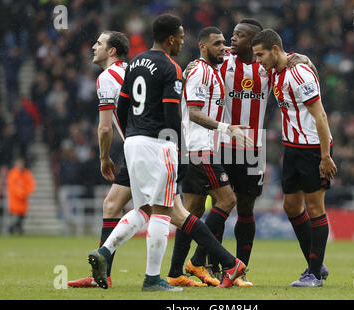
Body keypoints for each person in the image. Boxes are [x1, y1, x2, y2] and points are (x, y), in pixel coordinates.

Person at [88, 14, 246, 291]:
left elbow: (122, 107)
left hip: (133, 143)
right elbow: (173, 117)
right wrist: (180, 152)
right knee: (162, 211)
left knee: (146, 209)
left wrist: (132, 132)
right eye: (182, 38)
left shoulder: (135, 62)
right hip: (158, 144)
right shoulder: (171, 67)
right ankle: (153, 279)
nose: (183, 42)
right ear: (171, 38)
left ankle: (104, 252)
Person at [169, 18, 317, 287]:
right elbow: (200, 67)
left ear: (255, 42)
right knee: (211, 205)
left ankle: (239, 268)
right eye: (232, 35)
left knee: (246, 209)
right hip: (220, 143)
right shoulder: (222, 61)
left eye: (239, 35)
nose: (232, 39)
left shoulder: (267, 66)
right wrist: (191, 65)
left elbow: (294, 61)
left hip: (251, 146)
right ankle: (207, 265)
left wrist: (304, 59)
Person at [167, 26, 253, 287]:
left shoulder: (211, 68)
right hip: (199, 149)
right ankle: (198, 261)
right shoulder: (201, 73)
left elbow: (234, 52)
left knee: (191, 211)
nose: (222, 48)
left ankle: (174, 273)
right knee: (227, 200)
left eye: (224, 43)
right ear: (202, 46)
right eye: (216, 44)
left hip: (196, 149)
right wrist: (228, 128)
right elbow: (193, 113)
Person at [252, 29, 337, 287]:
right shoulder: (277, 72)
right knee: (291, 206)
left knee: (314, 208)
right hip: (292, 148)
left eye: (261, 55)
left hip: (313, 149)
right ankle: (316, 264)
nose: (258, 61)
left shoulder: (299, 73)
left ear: (275, 50)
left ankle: (313, 274)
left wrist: (325, 156)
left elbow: (320, 116)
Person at [68, 30, 134, 288]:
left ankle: (228, 263)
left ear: (112, 51)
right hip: (156, 144)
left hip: (142, 148)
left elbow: (105, 128)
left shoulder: (107, 77)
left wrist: (104, 158)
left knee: (172, 213)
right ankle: (102, 275)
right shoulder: (137, 70)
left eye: (99, 43)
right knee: (112, 206)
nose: (94, 47)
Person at [6, 158, 36, 235]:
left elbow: (31, 184)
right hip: (15, 199)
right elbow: (13, 186)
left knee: (21, 217)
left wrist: (26, 192)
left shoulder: (26, 173)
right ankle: (14, 229)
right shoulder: (13, 173)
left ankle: (17, 229)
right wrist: (22, 193)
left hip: (23, 200)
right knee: (16, 217)